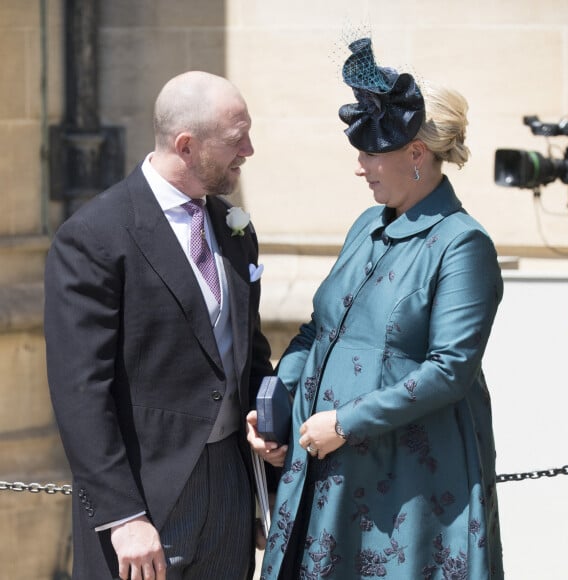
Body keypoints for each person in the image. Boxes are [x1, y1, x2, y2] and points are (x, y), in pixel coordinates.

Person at [249, 38, 504, 579]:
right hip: (329, 465)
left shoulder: (463, 244)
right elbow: (320, 328)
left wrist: (345, 422)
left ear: (416, 154)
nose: (360, 168)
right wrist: (280, 405)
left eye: (370, 154)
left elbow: (450, 370)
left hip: (410, 483)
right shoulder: (367, 225)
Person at [44, 71, 273, 580]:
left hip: (230, 491)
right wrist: (123, 515)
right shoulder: (94, 236)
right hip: (146, 496)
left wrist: (267, 479)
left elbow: (248, 354)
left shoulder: (235, 228)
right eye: (237, 139)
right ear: (186, 145)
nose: (250, 150)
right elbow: (81, 389)